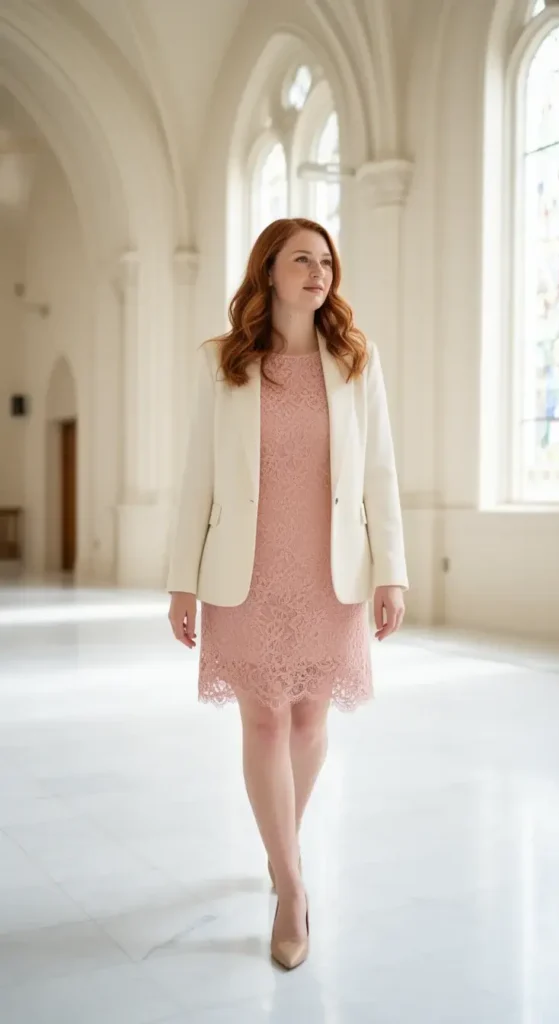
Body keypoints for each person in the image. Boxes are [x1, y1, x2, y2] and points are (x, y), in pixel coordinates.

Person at [167, 217, 408, 970]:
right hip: (245, 569)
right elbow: (197, 478)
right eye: (301, 259)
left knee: (309, 719)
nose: (318, 271)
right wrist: (181, 579)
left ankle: (282, 851)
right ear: (268, 271)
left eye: (327, 260)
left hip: (330, 567)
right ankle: (293, 887)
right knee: (263, 722)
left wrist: (392, 569)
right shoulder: (224, 364)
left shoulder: (355, 362)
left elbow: (381, 476)